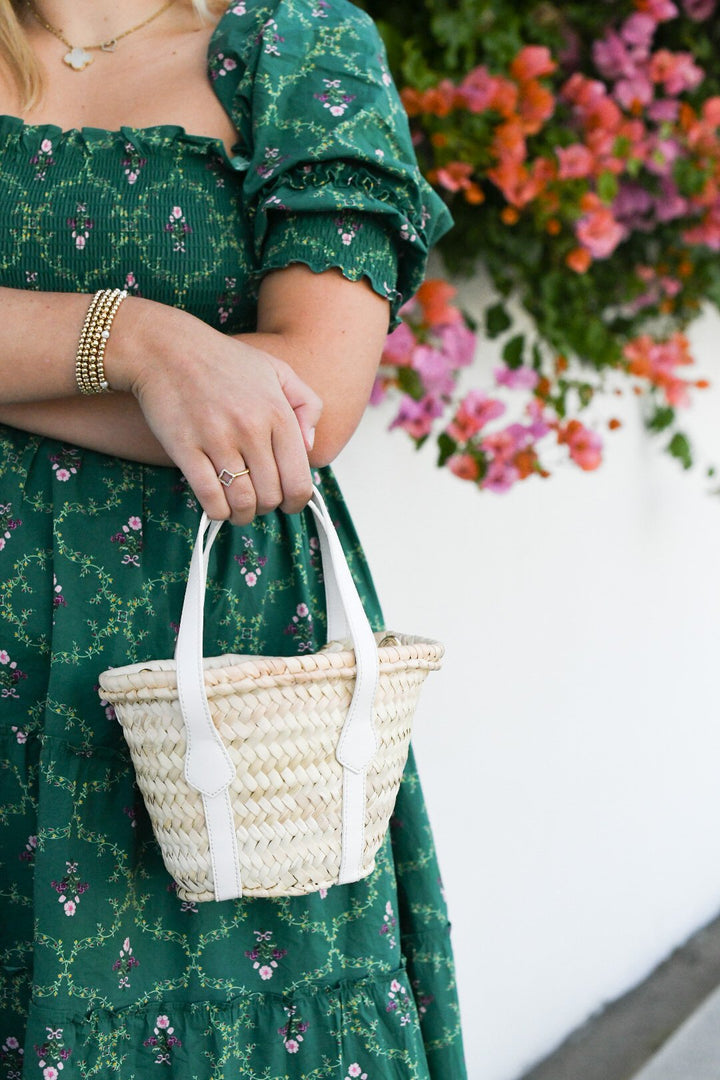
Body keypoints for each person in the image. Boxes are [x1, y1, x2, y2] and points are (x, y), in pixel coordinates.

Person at [0, 0, 467, 1076]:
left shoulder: (298, 46)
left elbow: (305, 402)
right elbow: (210, 385)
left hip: (209, 690)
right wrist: (139, 347)